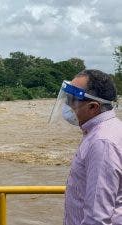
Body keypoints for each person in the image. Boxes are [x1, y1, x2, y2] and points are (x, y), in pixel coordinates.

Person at [50, 69, 122, 224]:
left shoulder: (102, 143)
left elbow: (98, 218)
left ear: (93, 107)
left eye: (72, 99)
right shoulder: (109, 129)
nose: (67, 104)